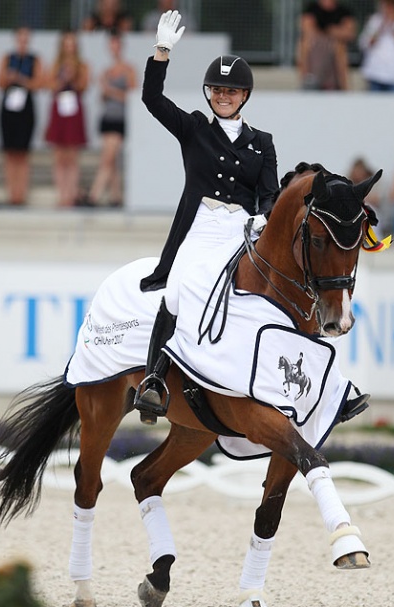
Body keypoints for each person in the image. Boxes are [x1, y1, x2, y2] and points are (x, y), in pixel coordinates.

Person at [134, 10, 279, 424]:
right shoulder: (194, 128)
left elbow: (269, 194)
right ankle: (155, 380)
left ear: (245, 95)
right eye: (216, 89)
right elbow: (152, 100)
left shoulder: (261, 143)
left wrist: (263, 219)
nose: (223, 95)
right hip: (201, 226)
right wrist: (161, 52)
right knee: (177, 291)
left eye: (231, 91)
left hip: (241, 229)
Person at [87, 31, 136, 208]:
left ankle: (94, 194)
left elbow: (132, 96)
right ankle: (116, 196)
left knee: (107, 158)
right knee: (111, 159)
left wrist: (110, 90)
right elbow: (103, 97)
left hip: (120, 118)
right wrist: (104, 91)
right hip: (108, 116)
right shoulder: (107, 71)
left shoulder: (129, 70)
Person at [0, 27, 43, 206]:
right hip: (9, 107)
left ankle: (21, 194)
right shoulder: (7, 58)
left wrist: (21, 79)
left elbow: (40, 83)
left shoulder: (35, 59)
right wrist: (9, 78)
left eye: (26, 38)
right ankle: (11, 193)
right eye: (20, 38)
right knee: (9, 152)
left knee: (23, 152)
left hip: (26, 107)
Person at [44, 31, 90, 208]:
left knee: (72, 155)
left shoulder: (82, 66)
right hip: (59, 109)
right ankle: (61, 193)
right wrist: (62, 80)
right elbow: (49, 85)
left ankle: (71, 193)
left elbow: (84, 86)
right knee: (59, 155)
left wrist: (74, 77)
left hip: (74, 108)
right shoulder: (56, 65)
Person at [296, 0, 357, 90]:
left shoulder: (344, 11)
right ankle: (306, 81)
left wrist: (328, 31)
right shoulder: (311, 9)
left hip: (334, 46)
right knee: (304, 44)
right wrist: (333, 31)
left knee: (339, 47)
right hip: (316, 45)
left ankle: (343, 85)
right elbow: (307, 29)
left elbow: (349, 33)